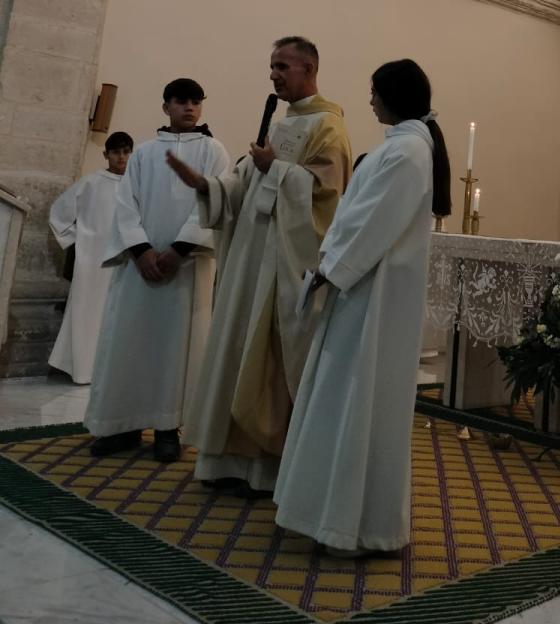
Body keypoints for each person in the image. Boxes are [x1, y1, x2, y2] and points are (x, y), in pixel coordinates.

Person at [273, 58, 451, 557]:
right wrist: (329, 262)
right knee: (342, 399)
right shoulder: (402, 146)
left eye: (375, 91)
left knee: (360, 401)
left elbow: (374, 221)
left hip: (373, 294)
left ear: (394, 95)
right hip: (361, 288)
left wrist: (332, 267)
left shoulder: (408, 152)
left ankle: (353, 527)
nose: (370, 100)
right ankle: (328, 515)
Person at [166, 36, 352, 497]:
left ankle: (263, 469)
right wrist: (209, 186)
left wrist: (276, 170)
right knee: (235, 350)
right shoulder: (281, 122)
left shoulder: (329, 127)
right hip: (250, 261)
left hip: (281, 264)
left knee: (265, 361)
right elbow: (247, 182)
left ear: (309, 68)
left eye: (282, 66)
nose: (273, 75)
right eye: (272, 66)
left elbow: (327, 196)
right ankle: (224, 461)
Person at [84, 80, 229, 461]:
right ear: (166, 106)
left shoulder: (213, 151)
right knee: (128, 343)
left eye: (196, 101)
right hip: (140, 268)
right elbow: (125, 204)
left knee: (175, 349)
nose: (189, 108)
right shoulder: (145, 154)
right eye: (181, 101)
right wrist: (141, 250)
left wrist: (179, 250)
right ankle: (121, 426)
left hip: (185, 267)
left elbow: (214, 202)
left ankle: (168, 427)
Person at [47, 132, 134, 384]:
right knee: (87, 311)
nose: (121, 157)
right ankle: (82, 369)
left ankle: (109, 370)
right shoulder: (90, 183)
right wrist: (81, 241)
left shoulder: (136, 184)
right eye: (116, 152)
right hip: (92, 259)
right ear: (106, 155)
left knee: (116, 314)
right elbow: (58, 214)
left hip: (125, 260)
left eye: (126, 152)